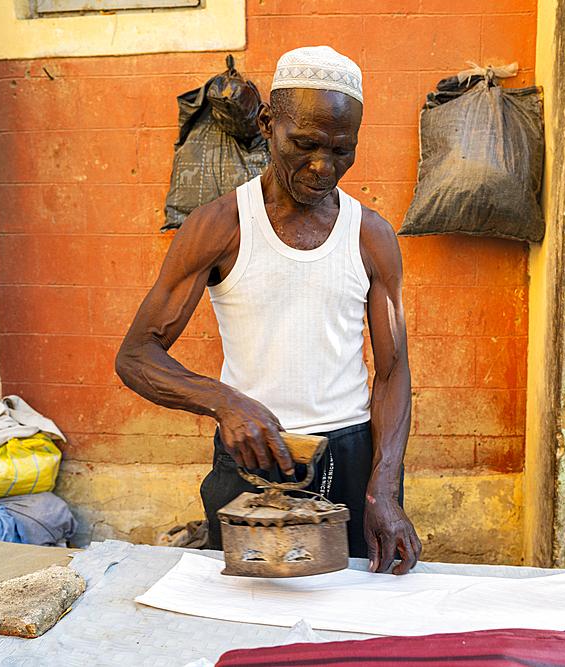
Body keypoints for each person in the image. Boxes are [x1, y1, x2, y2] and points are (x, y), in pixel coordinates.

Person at [115, 46, 421, 575]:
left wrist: (384, 488)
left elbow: (392, 372)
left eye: (341, 150)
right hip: (249, 458)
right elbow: (136, 355)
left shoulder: (371, 236)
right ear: (267, 123)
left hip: (349, 456)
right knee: (244, 621)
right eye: (304, 144)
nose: (323, 167)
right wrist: (225, 403)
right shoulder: (220, 226)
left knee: (348, 625)